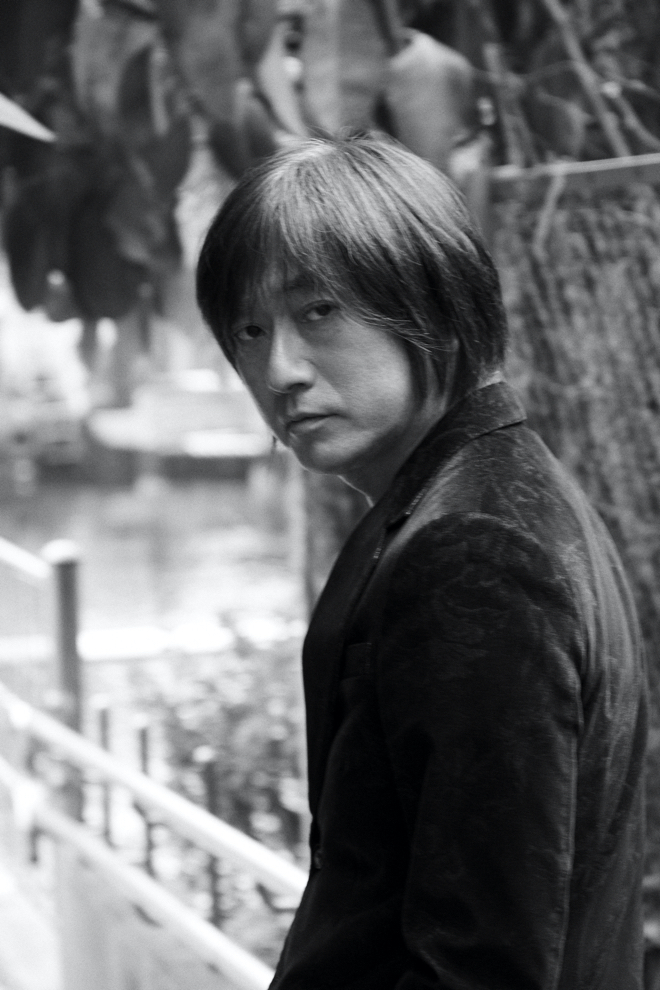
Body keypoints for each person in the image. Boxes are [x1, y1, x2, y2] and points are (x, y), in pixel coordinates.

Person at [196, 134, 648, 990]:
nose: (279, 369)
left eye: (318, 311)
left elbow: (480, 965)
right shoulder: (495, 495)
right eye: (249, 330)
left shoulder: (473, 548)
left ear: (433, 299)